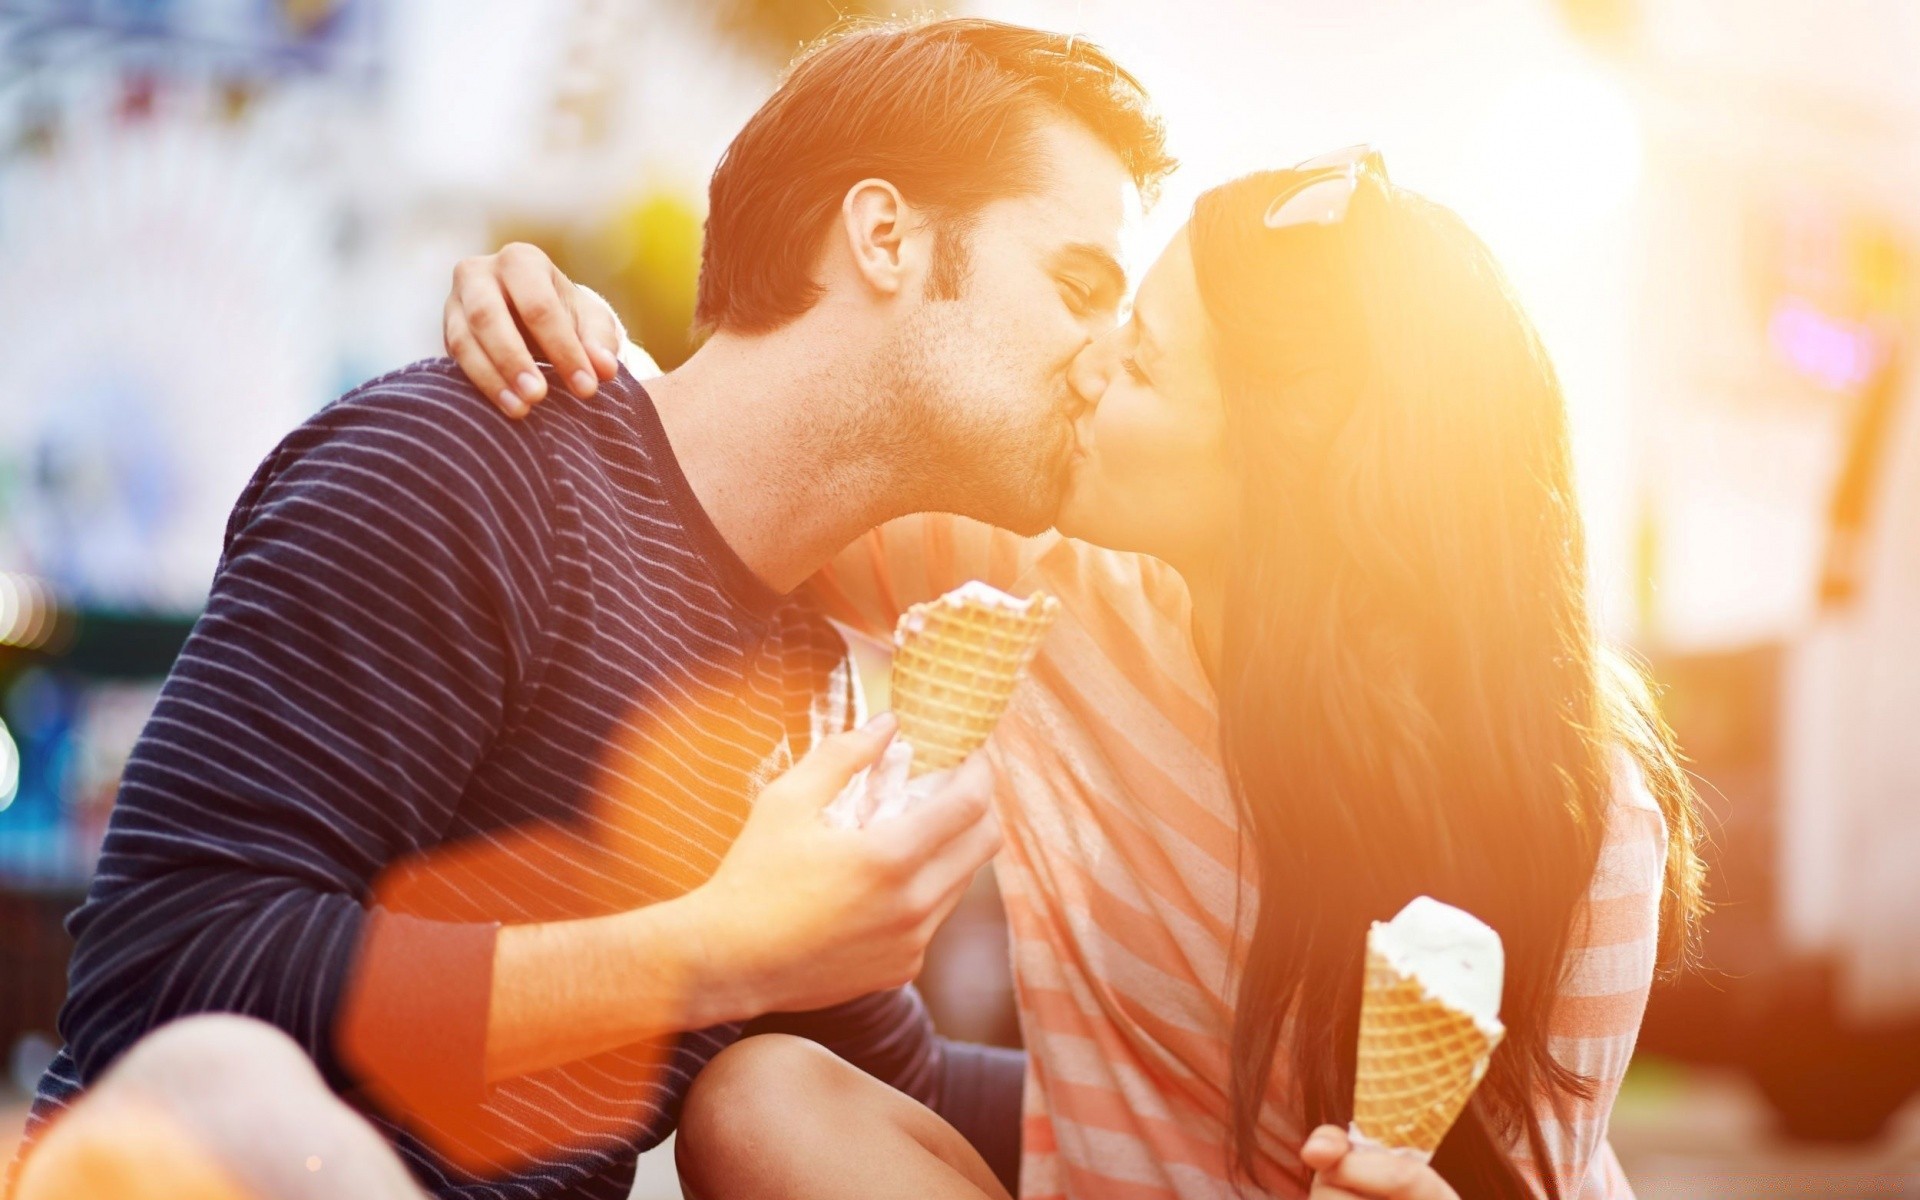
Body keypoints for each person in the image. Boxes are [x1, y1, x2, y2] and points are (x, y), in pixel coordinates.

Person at [10, 19, 1176, 1200]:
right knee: (224, 1087)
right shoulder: (467, 463)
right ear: (884, 236)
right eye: (1077, 287)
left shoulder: (803, 677)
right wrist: (707, 955)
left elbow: (913, 1106)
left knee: (782, 1102)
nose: (1104, 359)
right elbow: (170, 979)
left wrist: (1281, 1133)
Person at [444, 147, 1708, 1200]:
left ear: (1285, 475)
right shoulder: (1030, 581)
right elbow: (731, 467)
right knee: (764, 1105)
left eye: (1144, 359)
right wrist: (562, 330)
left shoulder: (1578, 817)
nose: (1086, 363)